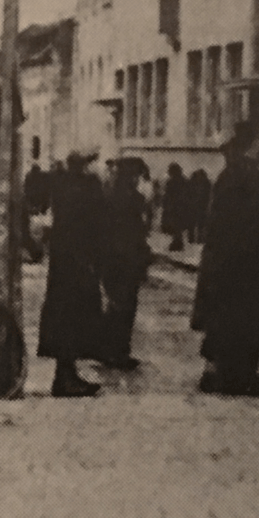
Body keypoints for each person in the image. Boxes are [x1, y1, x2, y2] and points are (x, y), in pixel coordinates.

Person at [193, 124, 259, 395]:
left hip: (235, 260)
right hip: (238, 262)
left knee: (232, 318)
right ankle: (236, 377)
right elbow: (243, 220)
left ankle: (227, 374)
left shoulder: (238, 173)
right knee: (239, 319)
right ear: (251, 143)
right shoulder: (241, 175)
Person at [38, 148, 108, 397]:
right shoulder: (84, 189)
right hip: (78, 264)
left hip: (65, 264)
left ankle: (66, 374)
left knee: (66, 320)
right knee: (74, 320)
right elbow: (97, 223)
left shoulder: (63, 186)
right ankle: (65, 379)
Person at [101, 157, 152, 371]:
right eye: (136, 175)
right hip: (125, 261)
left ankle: (114, 351)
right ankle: (117, 352)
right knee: (124, 308)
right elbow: (138, 230)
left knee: (118, 308)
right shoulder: (131, 199)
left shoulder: (112, 196)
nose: (138, 179)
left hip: (118, 261)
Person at [162, 163, 190, 252]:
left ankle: (177, 243)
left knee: (175, 226)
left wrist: (167, 205)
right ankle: (177, 242)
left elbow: (168, 195)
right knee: (177, 227)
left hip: (175, 208)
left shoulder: (171, 182)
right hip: (180, 208)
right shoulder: (184, 181)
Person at [187, 168, 212, 245]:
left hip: (198, 206)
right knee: (198, 224)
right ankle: (197, 238)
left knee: (196, 223)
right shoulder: (206, 183)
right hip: (199, 206)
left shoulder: (204, 183)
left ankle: (195, 239)